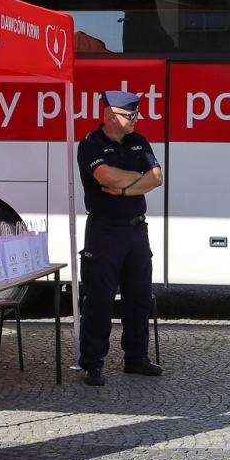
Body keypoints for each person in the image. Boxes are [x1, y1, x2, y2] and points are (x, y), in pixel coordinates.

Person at [76, 90, 163, 386]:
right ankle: (92, 363)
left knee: (139, 297)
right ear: (111, 115)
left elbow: (157, 178)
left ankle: (136, 357)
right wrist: (138, 179)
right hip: (105, 232)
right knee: (99, 300)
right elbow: (106, 177)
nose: (136, 119)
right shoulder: (91, 144)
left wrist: (125, 189)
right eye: (131, 115)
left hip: (136, 231)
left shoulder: (139, 141)